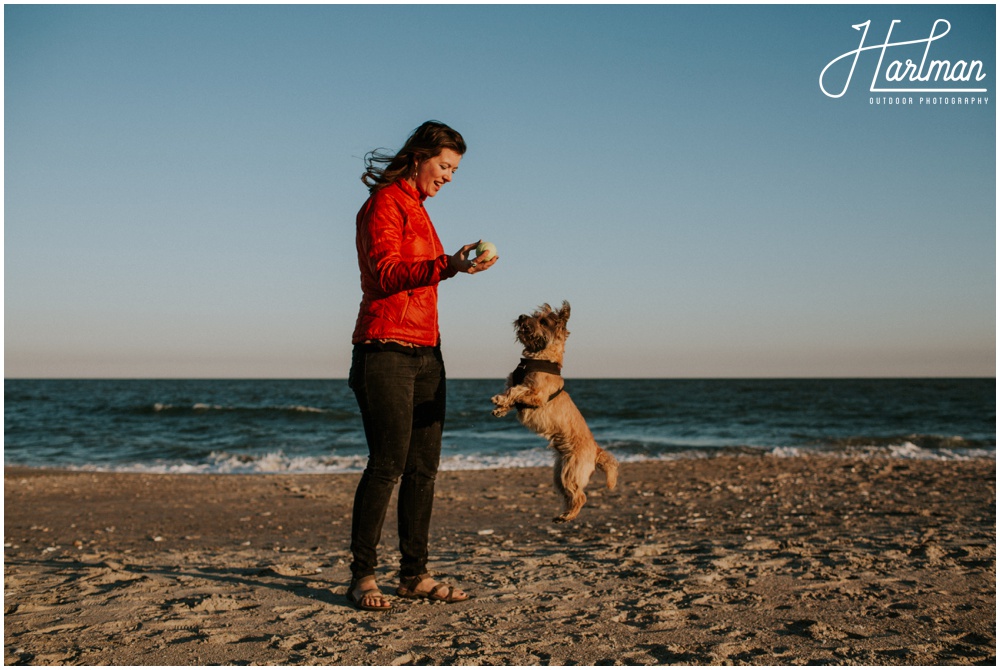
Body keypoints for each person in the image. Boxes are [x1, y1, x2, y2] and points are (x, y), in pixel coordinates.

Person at [346, 121, 498, 611]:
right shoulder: (384, 205)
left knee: (423, 470)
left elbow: (425, 277)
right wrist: (447, 265)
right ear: (419, 157)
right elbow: (387, 273)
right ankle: (363, 576)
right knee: (387, 465)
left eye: (455, 169)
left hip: (426, 352)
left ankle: (414, 574)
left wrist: (457, 264)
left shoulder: (420, 211)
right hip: (384, 349)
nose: (450, 177)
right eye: (446, 166)